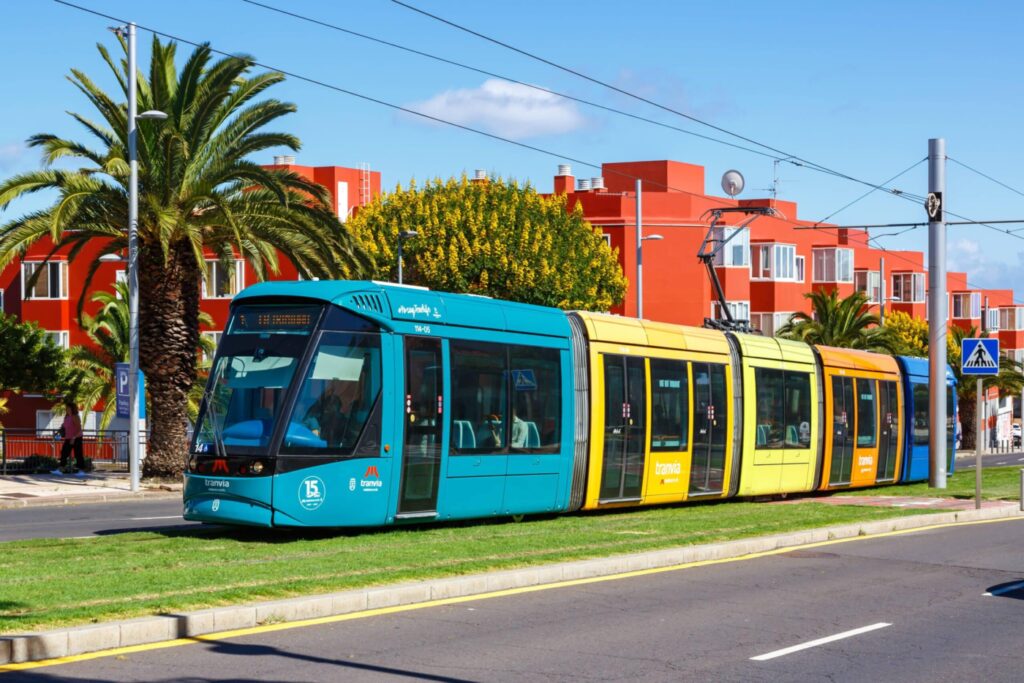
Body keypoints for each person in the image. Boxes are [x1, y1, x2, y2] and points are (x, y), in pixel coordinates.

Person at [52, 402, 86, 477]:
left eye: (68, 408)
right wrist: (57, 433)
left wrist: (74, 437)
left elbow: (79, 429)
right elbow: (63, 427)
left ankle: (81, 471)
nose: (67, 409)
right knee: (64, 453)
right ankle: (60, 470)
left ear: (72, 409)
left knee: (78, 454)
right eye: (66, 408)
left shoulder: (75, 416)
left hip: (76, 438)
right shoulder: (66, 417)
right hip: (68, 438)